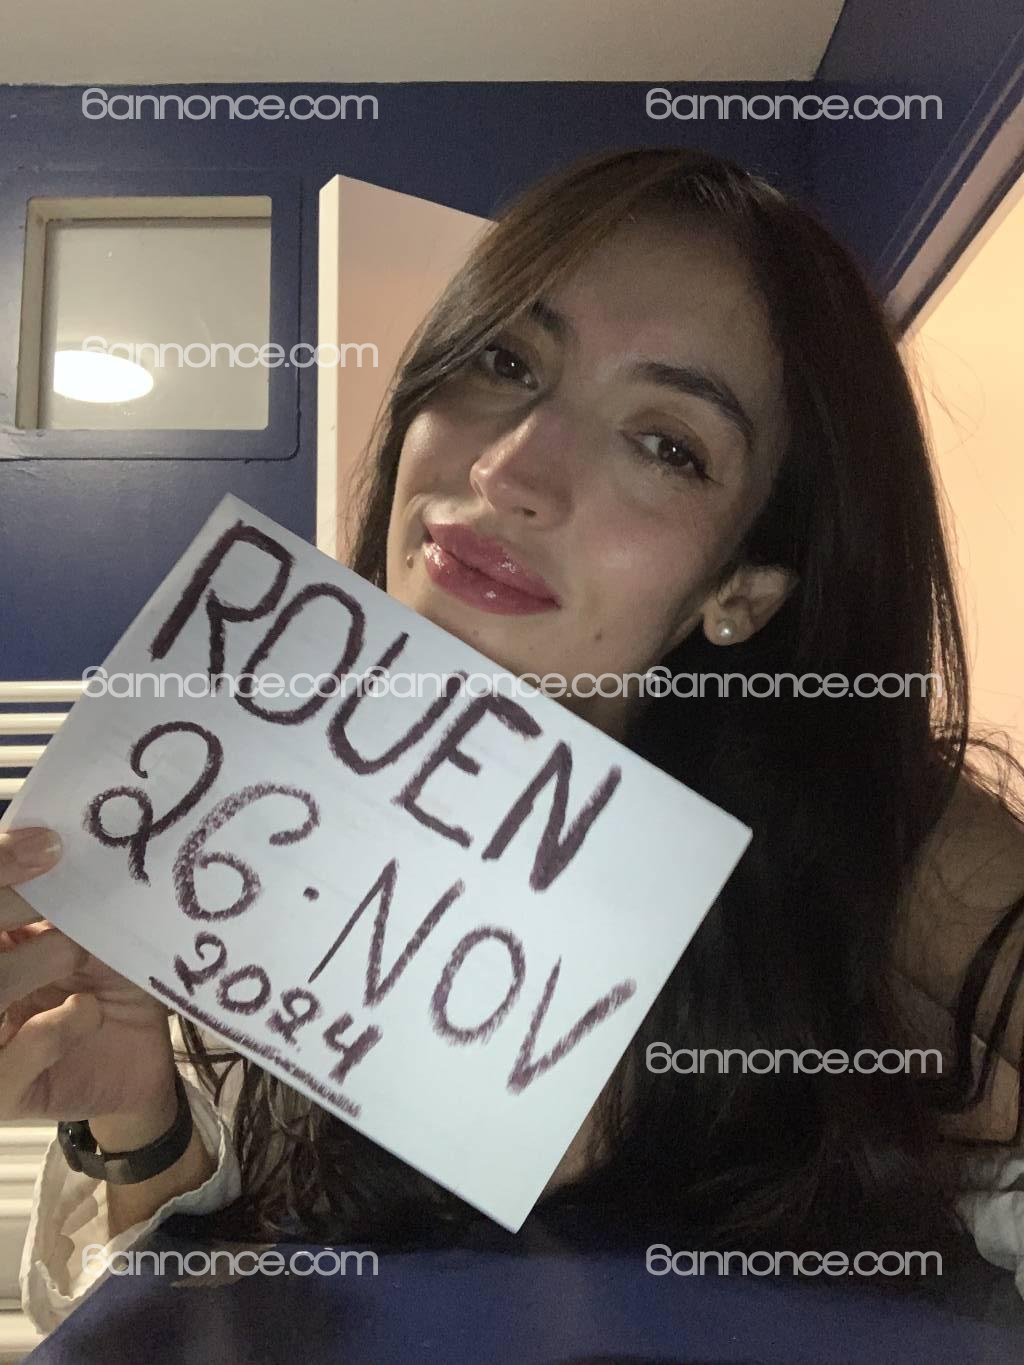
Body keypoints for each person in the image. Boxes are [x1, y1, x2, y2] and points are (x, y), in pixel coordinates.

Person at [3, 146, 1023, 1337]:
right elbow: (217, 1311)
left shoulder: (897, 878)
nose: (510, 469)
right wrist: (139, 1121)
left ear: (740, 590)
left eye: (667, 443)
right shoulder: (240, 846)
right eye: (504, 362)